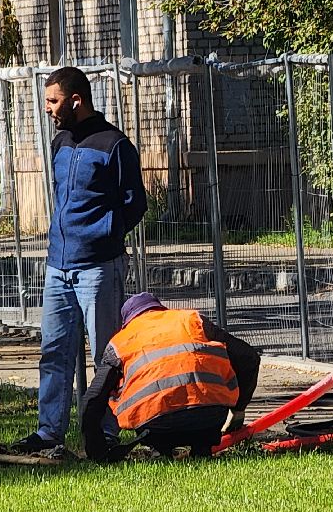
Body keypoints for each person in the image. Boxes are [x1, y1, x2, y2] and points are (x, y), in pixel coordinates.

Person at [14, 66, 147, 454]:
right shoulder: (60, 142)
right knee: (54, 351)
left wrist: (104, 234)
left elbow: (135, 203)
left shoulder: (114, 144)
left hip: (98, 268)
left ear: (76, 101)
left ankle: (106, 433)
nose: (48, 109)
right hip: (58, 266)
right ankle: (48, 433)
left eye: (53, 101)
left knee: (106, 354)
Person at [78, 292, 260, 460]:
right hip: (209, 418)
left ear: (127, 321)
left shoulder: (121, 341)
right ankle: (201, 449)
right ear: (161, 309)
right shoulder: (192, 320)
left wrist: (97, 451)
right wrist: (238, 409)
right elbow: (249, 358)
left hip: (157, 426)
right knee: (201, 432)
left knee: (160, 427)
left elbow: (93, 398)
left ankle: (161, 451)